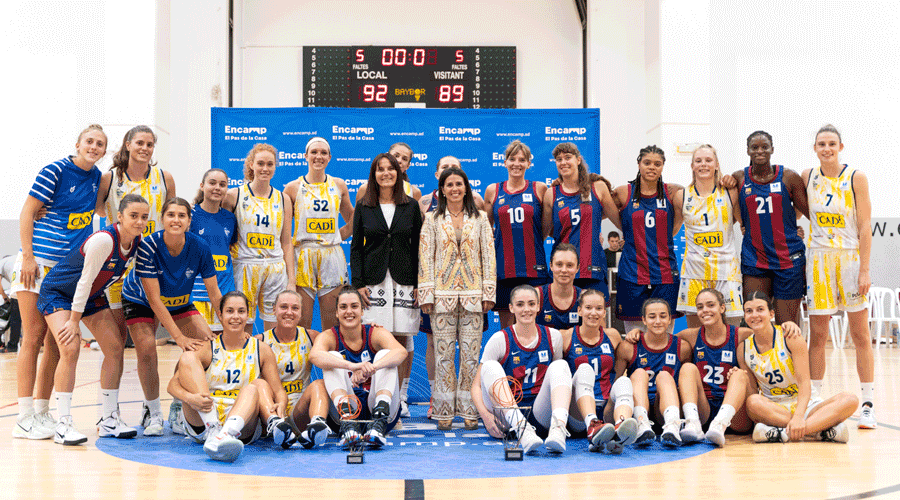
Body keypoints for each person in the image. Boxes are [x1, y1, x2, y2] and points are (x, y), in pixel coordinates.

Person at [13, 124, 106, 441]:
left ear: (104, 151)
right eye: (89, 141)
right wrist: (27, 256)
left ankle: (41, 411)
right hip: (37, 264)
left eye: (99, 144)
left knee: (57, 342)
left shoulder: (97, 178)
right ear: (78, 144)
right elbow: (28, 212)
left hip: (67, 271)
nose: (93, 147)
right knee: (33, 337)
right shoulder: (54, 170)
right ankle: (23, 416)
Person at [34, 194, 148, 445]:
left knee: (116, 348)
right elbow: (84, 282)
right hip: (60, 292)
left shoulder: (137, 243)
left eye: (144, 217)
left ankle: (108, 419)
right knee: (70, 347)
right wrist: (74, 322)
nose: (139, 222)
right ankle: (63, 423)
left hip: (90, 296)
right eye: (133, 216)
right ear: (119, 217)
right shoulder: (104, 241)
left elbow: (109, 283)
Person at [121, 197, 223, 435]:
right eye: (171, 215)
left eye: (181, 215)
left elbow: (214, 292)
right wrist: (178, 337)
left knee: (205, 346)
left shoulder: (200, 246)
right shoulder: (148, 246)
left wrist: (227, 328)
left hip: (179, 301)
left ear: (189, 220)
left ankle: (180, 405)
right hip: (141, 300)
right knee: (147, 349)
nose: (176, 220)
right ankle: (153, 412)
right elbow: (154, 300)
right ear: (163, 219)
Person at [802, 125, 876, 429]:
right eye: (821, 144)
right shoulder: (807, 176)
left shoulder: (855, 177)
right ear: (815, 147)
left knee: (860, 335)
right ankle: (814, 398)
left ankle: (868, 404)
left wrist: (865, 269)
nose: (826, 148)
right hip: (818, 259)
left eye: (832, 143)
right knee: (817, 335)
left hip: (849, 258)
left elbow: (864, 225)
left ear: (841, 147)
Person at [419, 167, 496, 430]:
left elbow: (489, 255)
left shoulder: (481, 218)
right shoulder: (431, 219)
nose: (454, 189)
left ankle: (470, 409)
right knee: (443, 355)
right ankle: (443, 409)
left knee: (471, 356)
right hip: (441, 296)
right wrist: (426, 293)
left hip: (475, 296)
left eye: (459, 184)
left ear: (466, 188)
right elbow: (426, 257)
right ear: (442, 189)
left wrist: (488, 292)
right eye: (449, 185)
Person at [167, 291, 284, 462]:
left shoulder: (261, 349)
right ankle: (213, 427)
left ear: (248, 315)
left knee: (253, 388)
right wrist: (191, 398)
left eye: (241, 311)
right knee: (187, 356)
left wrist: (281, 403)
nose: (235, 316)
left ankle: (225, 434)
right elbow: (172, 386)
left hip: (242, 421)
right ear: (220, 315)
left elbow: (278, 390)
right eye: (230, 311)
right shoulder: (207, 348)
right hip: (205, 416)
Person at [351, 153, 423, 420]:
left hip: (405, 279)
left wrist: (419, 283)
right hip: (374, 280)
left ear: (399, 173)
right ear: (374, 175)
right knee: (379, 339)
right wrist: (358, 284)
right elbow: (356, 248)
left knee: (402, 339)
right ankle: (378, 394)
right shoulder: (364, 206)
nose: (386, 174)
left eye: (390, 169)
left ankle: (401, 397)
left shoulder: (412, 206)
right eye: (380, 170)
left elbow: (419, 248)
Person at [738, 291, 858, 443]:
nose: (754, 315)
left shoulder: (790, 337)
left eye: (760, 309)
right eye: (749, 311)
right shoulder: (743, 348)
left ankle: (786, 432)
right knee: (753, 402)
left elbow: (804, 383)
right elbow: (753, 393)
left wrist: (800, 417)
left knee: (850, 399)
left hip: (806, 405)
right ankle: (818, 430)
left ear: (771, 313)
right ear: (744, 316)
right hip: (775, 409)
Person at [96, 125, 175, 347]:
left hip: (153, 261)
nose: (145, 148)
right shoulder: (109, 179)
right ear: (128, 145)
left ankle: (146, 382)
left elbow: (171, 217)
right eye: (140, 143)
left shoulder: (164, 178)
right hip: (118, 263)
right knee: (119, 338)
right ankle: (114, 383)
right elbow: (92, 209)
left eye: (150, 144)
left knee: (147, 339)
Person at [471, 285, 573, 453]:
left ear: (539, 306)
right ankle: (523, 431)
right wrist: (486, 416)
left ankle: (558, 430)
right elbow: (476, 386)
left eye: (531, 304)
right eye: (520, 304)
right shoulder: (500, 339)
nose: (526, 309)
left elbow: (557, 381)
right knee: (489, 367)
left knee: (560, 365)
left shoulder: (553, 337)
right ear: (511, 308)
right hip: (507, 415)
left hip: (539, 412)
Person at [309, 287, 407, 448]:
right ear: (336, 312)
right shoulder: (328, 336)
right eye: (343, 307)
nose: (349, 311)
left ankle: (379, 421)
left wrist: (371, 368)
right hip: (344, 415)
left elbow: (401, 352)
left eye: (354, 306)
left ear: (362, 312)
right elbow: (315, 356)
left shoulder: (374, 332)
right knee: (332, 357)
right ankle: (349, 424)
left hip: (376, 408)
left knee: (386, 356)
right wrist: (351, 366)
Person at [731, 131, 809, 325]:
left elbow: (808, 213)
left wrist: (795, 230)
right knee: (754, 321)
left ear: (772, 149)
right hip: (755, 260)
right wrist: (743, 223)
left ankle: (792, 356)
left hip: (788, 260)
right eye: (754, 147)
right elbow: (729, 210)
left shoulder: (789, 177)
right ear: (747, 150)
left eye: (764, 147)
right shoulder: (739, 178)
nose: (759, 151)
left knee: (787, 324)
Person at [284, 137, 354, 332]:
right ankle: (302, 363)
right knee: (301, 325)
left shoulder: (338, 185)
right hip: (303, 255)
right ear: (305, 156)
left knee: (332, 325)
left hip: (331, 255)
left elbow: (353, 220)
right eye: (314, 152)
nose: (318, 156)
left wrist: (335, 237)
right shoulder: (292, 188)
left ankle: (330, 363)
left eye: (323, 153)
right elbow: (283, 232)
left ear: (330, 157)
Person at [613, 146, 685, 334]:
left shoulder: (673, 192)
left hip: (665, 273)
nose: (652, 167)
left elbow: (676, 226)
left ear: (663, 167)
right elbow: (597, 203)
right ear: (639, 164)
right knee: (634, 334)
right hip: (632, 273)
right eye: (647, 163)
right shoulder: (624, 192)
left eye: (657, 164)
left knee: (665, 334)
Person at [225, 144, 294, 334]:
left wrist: (292, 280)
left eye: (270, 164)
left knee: (273, 328)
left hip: (274, 267)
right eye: (261, 163)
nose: (265, 168)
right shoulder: (234, 195)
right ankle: (244, 362)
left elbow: (286, 242)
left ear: (275, 167)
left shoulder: (283, 199)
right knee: (242, 326)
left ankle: (268, 363)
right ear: (251, 165)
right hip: (245, 266)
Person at [673, 288, 753, 447]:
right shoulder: (690, 335)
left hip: (734, 414)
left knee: (739, 375)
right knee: (688, 368)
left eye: (710, 305)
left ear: (722, 308)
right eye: (700, 307)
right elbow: (659, 340)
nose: (705, 311)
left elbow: (770, 335)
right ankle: (692, 422)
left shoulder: (741, 334)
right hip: (704, 409)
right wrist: (636, 334)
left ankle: (720, 424)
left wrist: (789, 326)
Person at [483, 140, 550, 329]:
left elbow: (544, 228)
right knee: (507, 326)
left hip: (533, 267)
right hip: (504, 267)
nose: (517, 164)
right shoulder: (493, 190)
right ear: (505, 162)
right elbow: (487, 230)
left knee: (533, 322)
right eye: (512, 159)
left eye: (522, 160)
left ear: (529, 163)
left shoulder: (539, 188)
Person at [562, 289, 637, 453]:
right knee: (584, 369)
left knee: (624, 381)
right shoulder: (566, 336)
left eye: (599, 308)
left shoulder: (612, 335)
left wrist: (636, 333)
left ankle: (619, 428)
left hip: (606, 410)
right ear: (579, 310)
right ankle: (592, 424)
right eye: (588, 308)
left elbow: (625, 359)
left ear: (604, 312)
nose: (593, 313)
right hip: (578, 415)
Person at [676, 145, 743, 327]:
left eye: (708, 160)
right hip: (694, 271)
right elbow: (672, 231)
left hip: (726, 270)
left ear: (716, 164)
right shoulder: (681, 196)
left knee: (732, 330)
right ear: (692, 166)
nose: (703, 165)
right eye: (698, 161)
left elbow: (744, 225)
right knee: (695, 333)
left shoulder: (730, 192)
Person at [543, 142, 621, 298]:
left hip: (593, 268)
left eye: (568, 157)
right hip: (563, 271)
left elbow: (619, 221)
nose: (563, 162)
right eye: (559, 159)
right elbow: (544, 232)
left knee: (596, 320)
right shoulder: (551, 193)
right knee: (564, 321)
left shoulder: (598, 187)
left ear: (578, 160)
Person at [254, 290, 330, 449]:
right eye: (283, 307)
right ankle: (276, 425)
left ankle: (316, 426)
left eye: (295, 308)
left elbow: (342, 343)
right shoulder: (259, 342)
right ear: (273, 310)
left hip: (299, 413)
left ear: (301, 312)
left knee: (319, 384)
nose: (289, 312)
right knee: (257, 384)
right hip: (271, 411)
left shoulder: (312, 337)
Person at [615, 298, 691, 446]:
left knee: (664, 375)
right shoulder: (629, 346)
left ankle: (672, 425)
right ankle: (641, 423)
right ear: (643, 319)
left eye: (663, 316)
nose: (657, 321)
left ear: (670, 319)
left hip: (664, 406)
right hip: (637, 406)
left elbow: (688, 383)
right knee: (638, 373)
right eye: (652, 316)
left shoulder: (682, 347)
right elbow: (615, 382)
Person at [190, 169, 238, 333]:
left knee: (223, 347)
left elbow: (228, 248)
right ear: (202, 186)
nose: (217, 187)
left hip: (224, 290)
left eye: (222, 184)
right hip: (197, 293)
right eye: (212, 183)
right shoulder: (189, 215)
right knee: (199, 347)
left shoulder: (230, 218)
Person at [355, 142, 423, 203]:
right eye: (396, 156)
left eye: (404, 159)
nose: (399, 160)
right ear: (387, 156)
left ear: (407, 166)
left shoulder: (415, 192)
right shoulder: (365, 189)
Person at [535, 243, 582, 330]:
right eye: (559, 264)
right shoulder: (537, 295)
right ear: (551, 266)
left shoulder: (585, 298)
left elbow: (599, 337)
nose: (564, 270)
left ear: (577, 268)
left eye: (570, 265)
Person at [0, 254, 21, 353]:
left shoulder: (1, 263)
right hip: (34, 283)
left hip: (19, 286)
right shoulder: (15, 257)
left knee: (15, 319)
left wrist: (5, 298)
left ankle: (12, 347)